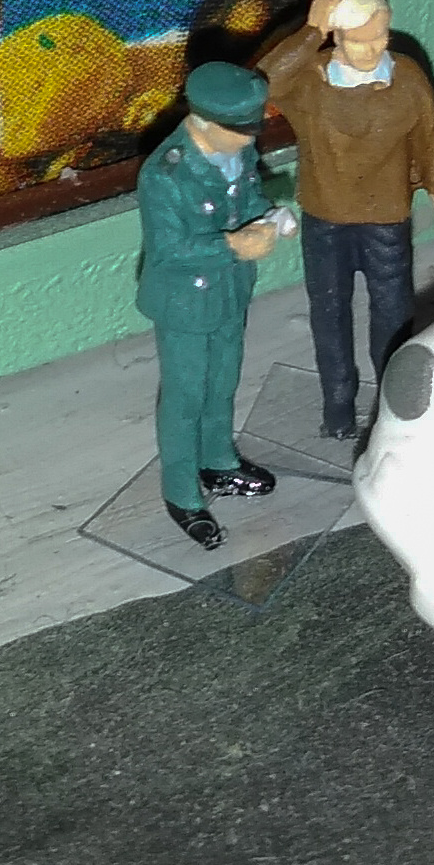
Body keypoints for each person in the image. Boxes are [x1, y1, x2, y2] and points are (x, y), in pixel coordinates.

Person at [258, 0, 434, 441]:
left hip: (385, 218)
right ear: (337, 37)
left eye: (380, 37)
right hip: (325, 216)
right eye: (359, 40)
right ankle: (338, 405)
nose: (372, 49)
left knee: (393, 314)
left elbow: (432, 141)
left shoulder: (406, 79)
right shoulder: (310, 80)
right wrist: (311, 31)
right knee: (329, 314)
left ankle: (389, 404)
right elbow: (263, 84)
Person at [134, 62, 285, 549]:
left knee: (223, 380)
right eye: (240, 129)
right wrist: (234, 245)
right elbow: (169, 251)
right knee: (185, 396)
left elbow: (249, 194)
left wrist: (270, 216)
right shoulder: (166, 174)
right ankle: (181, 492)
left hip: (230, 288)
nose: (249, 139)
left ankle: (218, 460)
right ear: (203, 121)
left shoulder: (236, 151)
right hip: (185, 300)